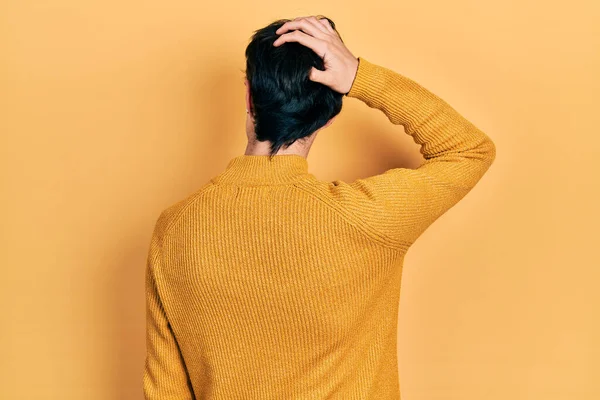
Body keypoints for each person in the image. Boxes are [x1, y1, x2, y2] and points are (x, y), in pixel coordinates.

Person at [143, 15, 496, 399]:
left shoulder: (174, 228)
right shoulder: (365, 218)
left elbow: (165, 390)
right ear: (329, 112)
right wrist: (361, 77)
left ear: (248, 96)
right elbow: (469, 150)